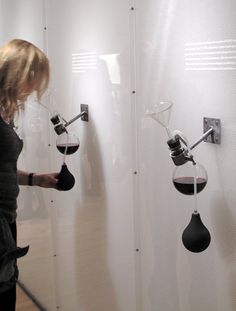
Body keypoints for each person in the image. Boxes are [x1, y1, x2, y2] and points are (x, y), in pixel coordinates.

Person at [0, 39, 59, 310]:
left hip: (6, 216)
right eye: (33, 78)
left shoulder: (6, 111)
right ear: (17, 72)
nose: (35, 88)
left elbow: (5, 169)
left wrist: (34, 179)